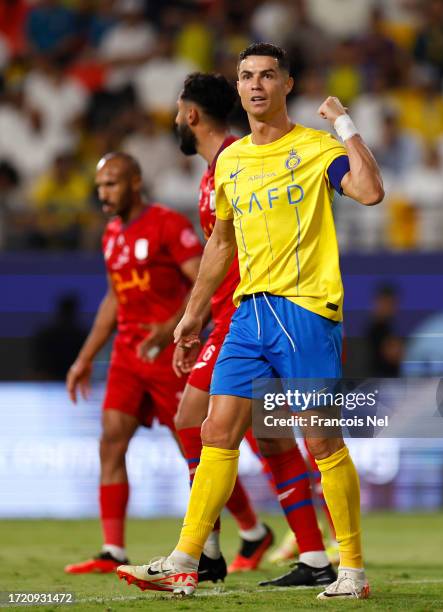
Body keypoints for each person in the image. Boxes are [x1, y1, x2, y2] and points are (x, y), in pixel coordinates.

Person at [118, 42, 383, 600]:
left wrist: (345, 125)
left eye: (267, 75)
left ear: (287, 85)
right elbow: (221, 243)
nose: (256, 85)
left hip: (307, 311)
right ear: (237, 89)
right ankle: (186, 560)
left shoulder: (314, 149)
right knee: (216, 430)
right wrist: (191, 318)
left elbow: (370, 191)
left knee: (319, 437)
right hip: (247, 313)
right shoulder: (231, 162)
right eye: (246, 76)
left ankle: (351, 570)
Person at [172, 71, 336, 584]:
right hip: (236, 317)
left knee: (193, 421)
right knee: (272, 439)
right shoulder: (220, 166)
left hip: (254, 314)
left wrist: (207, 318)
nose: (176, 120)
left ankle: (212, 547)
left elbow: (238, 248)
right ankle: (310, 556)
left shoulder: (238, 158)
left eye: (179, 111)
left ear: (191, 115)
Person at [64, 152, 204, 574]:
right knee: (111, 440)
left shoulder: (167, 224)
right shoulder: (110, 234)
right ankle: (113, 550)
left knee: (194, 451)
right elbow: (113, 298)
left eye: (112, 183)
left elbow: (203, 281)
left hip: (168, 353)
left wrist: (172, 326)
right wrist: (85, 357)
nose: (103, 192)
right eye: (100, 185)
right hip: (128, 353)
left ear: (136, 182)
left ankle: (241, 533)